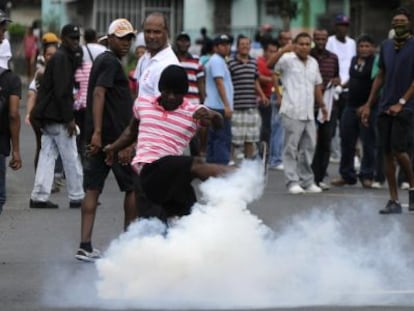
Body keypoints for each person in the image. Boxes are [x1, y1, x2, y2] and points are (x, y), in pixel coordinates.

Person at [104, 65, 233, 223]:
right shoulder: (142, 104)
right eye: (167, 92)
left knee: (187, 222)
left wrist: (212, 115)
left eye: (176, 94)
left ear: (183, 94)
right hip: (145, 172)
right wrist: (113, 148)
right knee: (153, 225)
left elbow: (218, 123)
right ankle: (239, 176)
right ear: (160, 89)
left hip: (172, 176)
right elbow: (131, 132)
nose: (171, 97)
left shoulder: (193, 111)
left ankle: (233, 189)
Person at [76, 18, 137, 262]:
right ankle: (129, 243)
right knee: (132, 186)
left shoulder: (103, 61)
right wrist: (99, 133)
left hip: (102, 139)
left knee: (93, 188)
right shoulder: (110, 62)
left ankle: (85, 245)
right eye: (121, 38)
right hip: (113, 139)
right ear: (109, 38)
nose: (125, 43)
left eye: (128, 38)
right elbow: (100, 94)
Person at [360, 8, 414, 214]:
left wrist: (401, 102)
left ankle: (412, 186)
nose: (398, 24)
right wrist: (368, 104)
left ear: (409, 24)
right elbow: (381, 75)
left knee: (400, 151)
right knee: (386, 153)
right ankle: (394, 200)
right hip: (385, 106)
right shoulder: (386, 46)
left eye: (402, 21)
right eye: (395, 21)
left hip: (406, 107)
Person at [29, 24, 84, 209]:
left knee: (47, 155)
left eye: (77, 38)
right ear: (63, 38)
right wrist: (69, 119)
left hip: (47, 116)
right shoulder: (62, 59)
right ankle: (77, 196)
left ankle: (39, 195)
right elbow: (62, 92)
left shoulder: (62, 57)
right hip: (58, 117)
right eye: (72, 38)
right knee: (71, 155)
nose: (75, 42)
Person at [274, 32, 328, 194]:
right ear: (295, 45)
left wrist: (322, 106)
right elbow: (271, 68)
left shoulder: (313, 63)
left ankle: (307, 181)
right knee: (290, 148)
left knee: (308, 147)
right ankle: (292, 181)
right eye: (301, 44)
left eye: (307, 44)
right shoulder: (287, 60)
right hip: (291, 110)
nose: (304, 47)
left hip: (308, 112)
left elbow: (317, 85)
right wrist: (283, 50)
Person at [331, 35, 376, 188]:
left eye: (367, 46)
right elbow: (353, 78)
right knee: (347, 141)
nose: (364, 49)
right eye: (361, 46)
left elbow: (378, 84)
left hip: (367, 107)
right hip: (350, 105)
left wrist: (367, 106)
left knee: (368, 142)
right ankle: (347, 175)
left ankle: (367, 175)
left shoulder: (376, 63)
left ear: (373, 48)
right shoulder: (354, 60)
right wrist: (342, 86)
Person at [228, 35, 268, 160]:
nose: (245, 46)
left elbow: (255, 81)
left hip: (251, 105)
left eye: (247, 44)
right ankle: (230, 164)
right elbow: (227, 84)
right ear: (238, 47)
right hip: (236, 106)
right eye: (242, 44)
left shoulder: (253, 62)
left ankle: (247, 165)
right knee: (234, 139)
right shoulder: (231, 63)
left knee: (250, 139)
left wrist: (262, 96)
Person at [310, 29, 340, 190]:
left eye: (324, 38)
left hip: (329, 106)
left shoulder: (333, 58)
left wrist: (336, 80)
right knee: (308, 143)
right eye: (318, 38)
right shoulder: (307, 56)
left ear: (328, 40)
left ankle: (320, 177)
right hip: (308, 105)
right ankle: (308, 177)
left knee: (325, 142)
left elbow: (338, 77)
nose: (321, 41)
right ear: (314, 39)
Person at [326, 14, 356, 163]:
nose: (343, 28)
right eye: (340, 25)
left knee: (348, 127)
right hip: (332, 90)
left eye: (345, 25)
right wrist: (335, 84)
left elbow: (354, 66)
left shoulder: (352, 43)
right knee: (330, 126)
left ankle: (348, 156)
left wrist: (346, 84)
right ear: (336, 26)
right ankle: (330, 153)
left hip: (348, 89)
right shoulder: (330, 42)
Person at [0, 12, 22, 215]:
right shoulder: (11, 80)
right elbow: (14, 114)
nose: (4, 34)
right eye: (2, 30)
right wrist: (16, 150)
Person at [174, 31, 206, 156]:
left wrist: (203, 101)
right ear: (176, 42)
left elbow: (201, 82)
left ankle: (196, 160)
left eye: (185, 41)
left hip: (193, 103)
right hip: (177, 103)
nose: (183, 43)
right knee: (177, 134)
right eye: (181, 40)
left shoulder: (196, 60)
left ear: (189, 44)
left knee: (194, 136)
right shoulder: (171, 59)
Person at [134, 12, 179, 98]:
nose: (151, 36)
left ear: (167, 32)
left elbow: (165, 106)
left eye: (157, 32)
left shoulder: (170, 65)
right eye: (147, 31)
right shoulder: (143, 58)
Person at [204, 34, 233, 165]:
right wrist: (227, 105)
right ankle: (221, 167)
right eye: (223, 44)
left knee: (215, 138)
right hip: (218, 106)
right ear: (215, 47)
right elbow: (219, 82)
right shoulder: (216, 60)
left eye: (228, 44)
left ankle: (212, 166)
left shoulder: (219, 60)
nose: (226, 47)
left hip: (215, 105)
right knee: (221, 137)